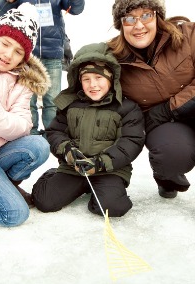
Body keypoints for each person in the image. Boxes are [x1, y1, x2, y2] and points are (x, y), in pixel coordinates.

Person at [32, 42, 145, 217]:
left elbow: (131, 142)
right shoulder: (70, 104)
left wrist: (101, 162)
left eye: (99, 78)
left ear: (111, 78)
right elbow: (54, 132)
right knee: (45, 201)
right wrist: (67, 151)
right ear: (79, 81)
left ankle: (103, 191)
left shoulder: (127, 108)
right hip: (74, 168)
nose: (93, 84)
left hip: (110, 169)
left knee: (112, 208)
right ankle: (54, 177)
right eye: (86, 79)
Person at [108, 0, 195, 199]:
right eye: (130, 18)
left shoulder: (189, 36)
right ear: (121, 24)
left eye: (146, 15)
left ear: (157, 16)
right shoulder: (115, 59)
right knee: (171, 154)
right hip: (167, 126)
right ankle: (167, 175)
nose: (139, 25)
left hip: (175, 112)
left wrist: (166, 109)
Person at [0, 3, 50, 227]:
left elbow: (24, 125)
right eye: (5, 44)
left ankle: (4, 185)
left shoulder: (22, 82)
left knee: (38, 145)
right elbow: (12, 124)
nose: (9, 54)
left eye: (18, 51)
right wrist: (4, 121)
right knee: (15, 214)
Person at [0, 0, 85, 136]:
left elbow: (76, 9)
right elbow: (1, 12)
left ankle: (54, 135)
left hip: (53, 52)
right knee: (28, 102)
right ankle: (29, 135)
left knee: (53, 100)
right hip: (24, 56)